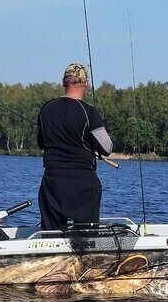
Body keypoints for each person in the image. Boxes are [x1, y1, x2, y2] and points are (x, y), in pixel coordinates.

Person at [36, 62, 113, 230]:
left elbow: (41, 143)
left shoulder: (46, 109)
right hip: (83, 183)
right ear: (87, 84)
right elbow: (106, 148)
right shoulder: (90, 113)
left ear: (63, 82)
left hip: (52, 182)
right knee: (86, 236)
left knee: (51, 236)